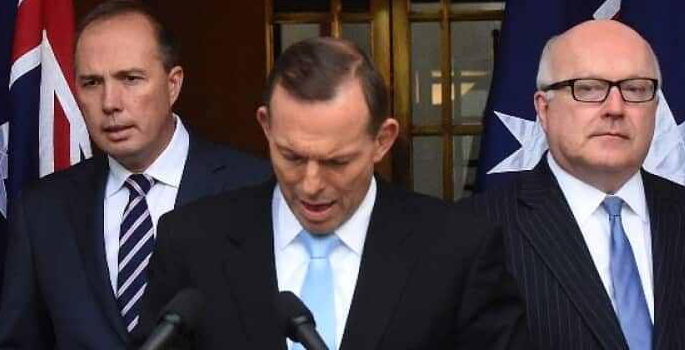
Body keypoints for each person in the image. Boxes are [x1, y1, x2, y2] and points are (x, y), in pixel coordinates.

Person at [136, 36, 530, 350]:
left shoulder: (457, 249)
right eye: (291, 156)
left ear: (383, 140)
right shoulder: (192, 241)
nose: (311, 184)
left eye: (337, 162)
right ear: (266, 127)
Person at [0, 0, 271, 349]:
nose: (110, 102)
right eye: (92, 83)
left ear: (173, 84)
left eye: (130, 79)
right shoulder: (43, 210)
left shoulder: (255, 188)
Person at [466, 19, 685, 349]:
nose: (615, 108)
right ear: (544, 109)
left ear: (655, 106)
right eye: (588, 88)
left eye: (636, 89)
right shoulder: (475, 230)